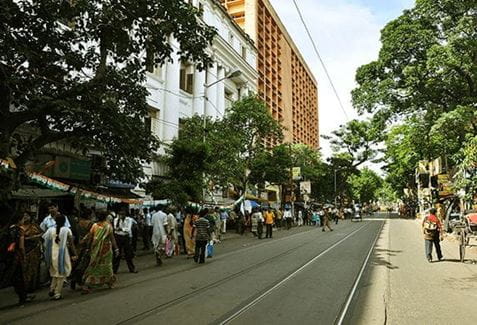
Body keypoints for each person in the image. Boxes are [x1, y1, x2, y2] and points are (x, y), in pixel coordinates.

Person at [1, 213, 35, 305]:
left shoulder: (7, 229)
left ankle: (23, 296)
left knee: (10, 277)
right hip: (16, 257)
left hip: (7, 257)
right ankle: (23, 297)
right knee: (19, 277)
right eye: (23, 218)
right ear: (19, 220)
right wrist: (23, 256)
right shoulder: (19, 230)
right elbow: (21, 246)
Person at [82, 212, 119, 293]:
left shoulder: (94, 226)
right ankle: (110, 282)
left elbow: (90, 238)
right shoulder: (108, 226)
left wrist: (88, 248)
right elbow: (112, 239)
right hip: (106, 251)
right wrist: (116, 249)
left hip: (95, 250)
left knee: (93, 266)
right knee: (107, 267)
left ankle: (87, 284)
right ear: (106, 217)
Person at [43, 214, 77, 300]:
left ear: (55, 221)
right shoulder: (67, 230)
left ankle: (52, 288)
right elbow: (72, 244)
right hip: (62, 254)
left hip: (52, 253)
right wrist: (75, 254)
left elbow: (44, 240)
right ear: (65, 221)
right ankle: (57, 293)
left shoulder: (50, 230)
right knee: (62, 273)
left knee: (55, 272)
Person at [70, 210, 94, 290]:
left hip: (79, 245)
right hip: (87, 245)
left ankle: (74, 279)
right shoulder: (91, 224)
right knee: (85, 263)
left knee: (78, 262)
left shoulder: (78, 224)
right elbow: (91, 235)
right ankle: (81, 280)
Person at [21, 212, 43, 293]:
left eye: (27, 216)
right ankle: (25, 286)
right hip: (23, 249)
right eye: (24, 216)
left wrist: (34, 237)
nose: (25, 217)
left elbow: (42, 233)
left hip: (34, 249)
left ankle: (34, 286)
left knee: (34, 268)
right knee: (25, 268)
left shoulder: (34, 225)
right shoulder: (19, 227)